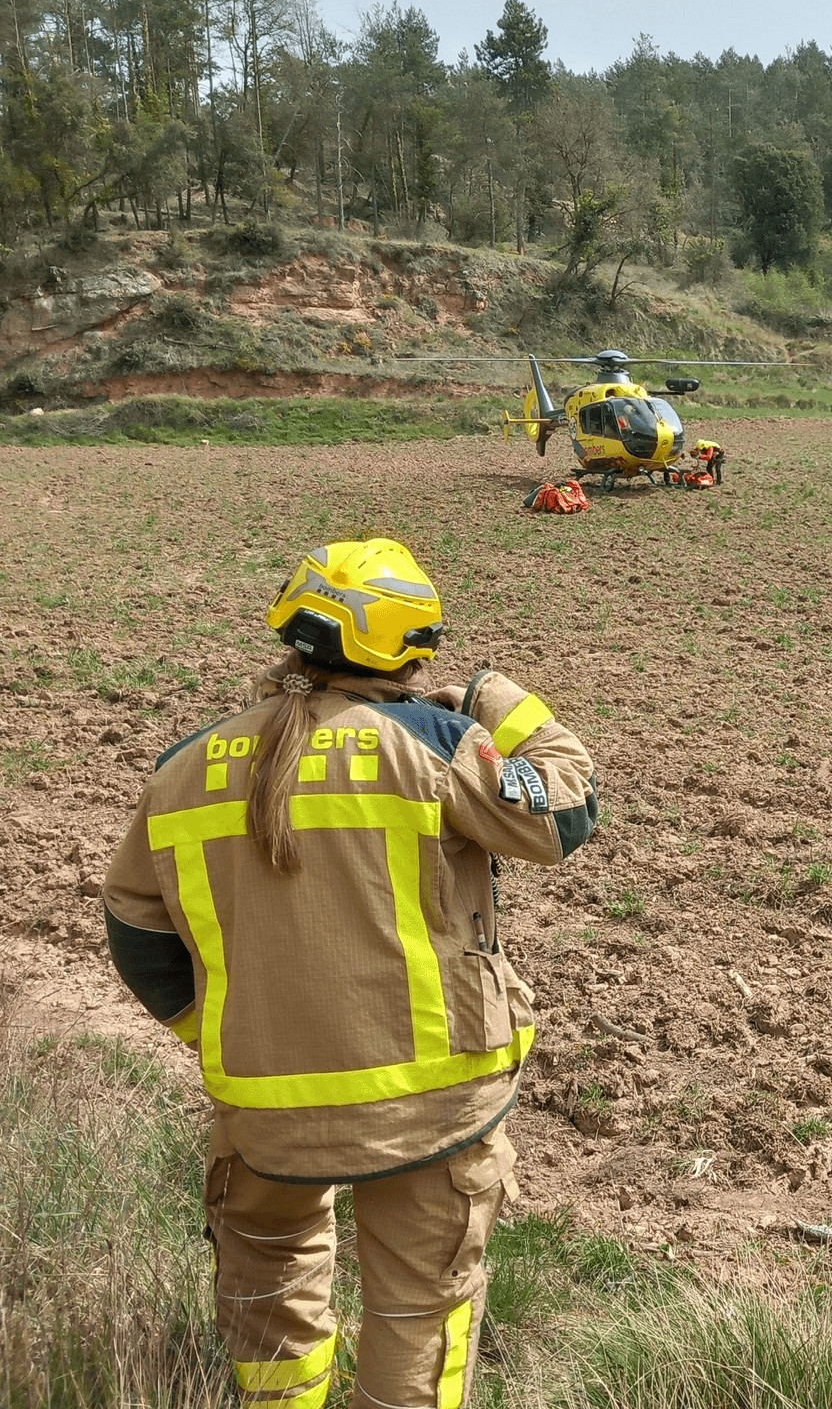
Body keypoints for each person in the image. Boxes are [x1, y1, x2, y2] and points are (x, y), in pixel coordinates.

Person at [102, 538, 599, 1409]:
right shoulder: (436, 743)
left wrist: (223, 1032)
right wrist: (495, 699)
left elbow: (137, 932)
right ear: (409, 649)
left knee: (268, 1280)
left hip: (264, 1102)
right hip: (431, 1098)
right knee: (420, 1305)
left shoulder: (182, 768)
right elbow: (566, 810)